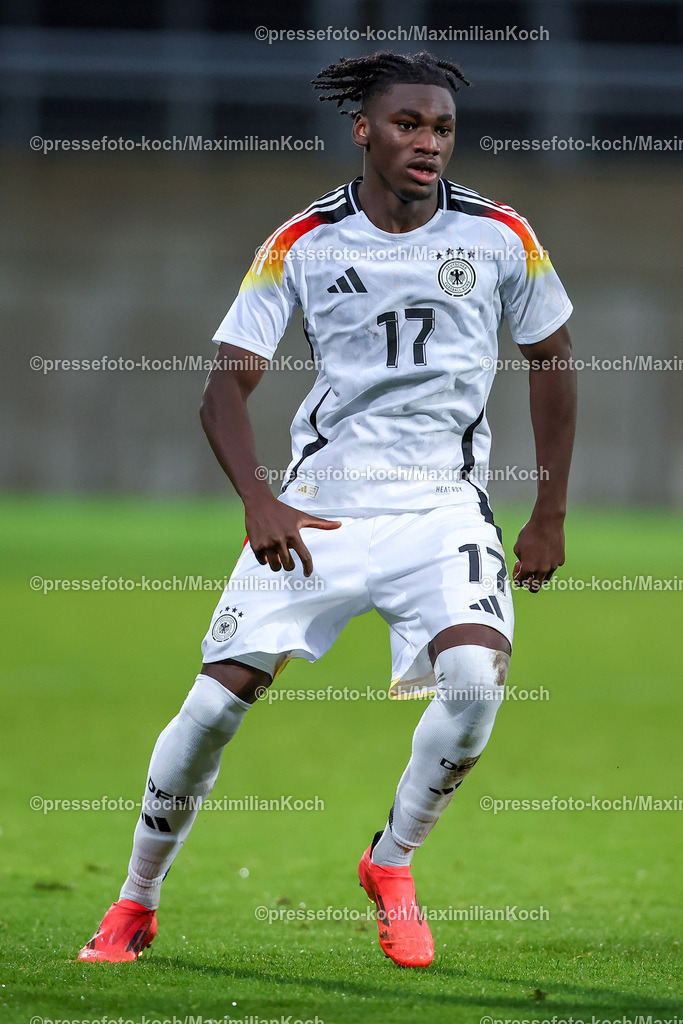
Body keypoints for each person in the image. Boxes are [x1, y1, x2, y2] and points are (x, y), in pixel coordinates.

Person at [79, 51, 576, 969]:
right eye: (407, 125)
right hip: (319, 512)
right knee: (213, 707)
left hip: (443, 514)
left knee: (473, 688)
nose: (427, 142)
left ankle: (391, 863)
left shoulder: (503, 234)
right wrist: (260, 498)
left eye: (441, 128)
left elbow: (553, 359)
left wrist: (546, 513)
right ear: (363, 129)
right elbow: (223, 388)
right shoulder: (301, 243)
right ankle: (134, 900)